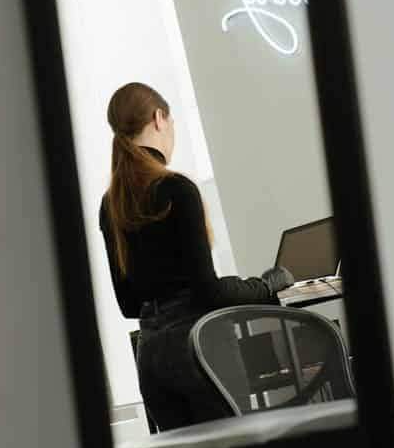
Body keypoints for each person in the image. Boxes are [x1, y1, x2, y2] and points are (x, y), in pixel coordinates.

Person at [100, 82, 294, 430]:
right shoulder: (178, 189)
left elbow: (129, 305)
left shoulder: (109, 205)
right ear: (160, 119)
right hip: (197, 347)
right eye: (171, 121)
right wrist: (265, 285)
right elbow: (210, 293)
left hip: (151, 355)